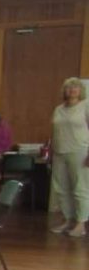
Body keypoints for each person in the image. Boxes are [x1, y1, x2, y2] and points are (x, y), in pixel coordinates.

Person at [50, 77, 89, 237]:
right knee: (60, 188)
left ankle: (81, 223)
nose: (72, 90)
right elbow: (55, 130)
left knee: (80, 187)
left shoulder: (85, 106)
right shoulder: (59, 109)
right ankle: (68, 219)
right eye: (69, 87)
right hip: (59, 151)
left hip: (79, 150)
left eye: (75, 87)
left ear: (81, 90)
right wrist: (51, 150)